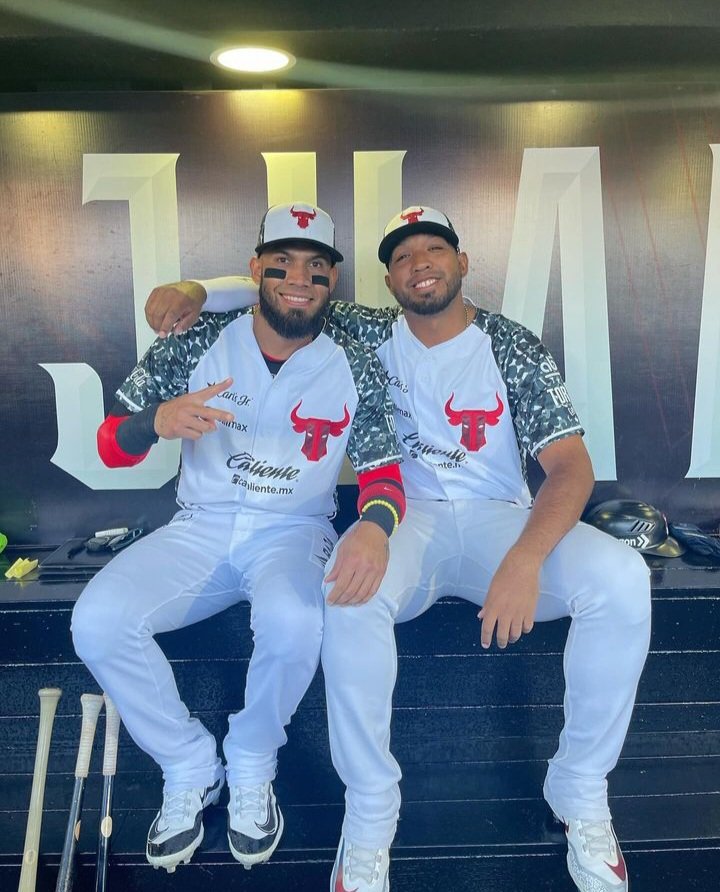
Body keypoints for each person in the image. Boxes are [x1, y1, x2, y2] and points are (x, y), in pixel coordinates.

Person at [144, 206, 651, 892]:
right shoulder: (365, 330)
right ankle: (371, 812)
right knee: (346, 593)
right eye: (403, 255)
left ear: (463, 262)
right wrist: (197, 288)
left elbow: (571, 469)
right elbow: (276, 288)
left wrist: (526, 560)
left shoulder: (508, 342)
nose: (420, 263)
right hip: (404, 520)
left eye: (434, 249)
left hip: (500, 518)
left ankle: (581, 791)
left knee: (621, 576)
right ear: (388, 277)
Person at [71, 202, 406, 875]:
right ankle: (189, 764)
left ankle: (252, 762)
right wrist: (156, 422)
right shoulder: (196, 337)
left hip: (293, 528)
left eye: (318, 266)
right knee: (97, 621)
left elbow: (384, 470)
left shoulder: (357, 353)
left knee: (293, 616)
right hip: (201, 525)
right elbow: (110, 446)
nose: (299, 278)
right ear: (256, 268)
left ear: (333, 281)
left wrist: (374, 524)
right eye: (282, 262)